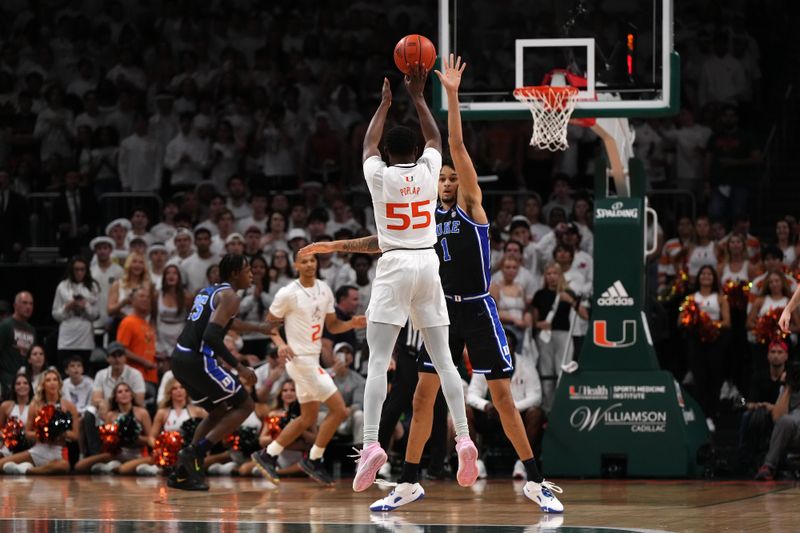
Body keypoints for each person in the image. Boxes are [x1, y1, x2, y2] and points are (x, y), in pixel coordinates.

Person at [301, 56, 562, 512]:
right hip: (436, 298)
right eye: (441, 177)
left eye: (451, 178)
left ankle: (535, 479)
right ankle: (408, 481)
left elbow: (452, 146)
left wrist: (452, 97)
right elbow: (380, 239)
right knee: (424, 396)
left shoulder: (471, 208)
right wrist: (336, 245)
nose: (446, 181)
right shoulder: (424, 203)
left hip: (476, 307)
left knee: (501, 396)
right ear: (430, 178)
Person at [251, 252, 366, 485]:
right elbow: (269, 325)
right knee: (340, 410)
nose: (309, 264)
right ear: (296, 265)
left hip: (313, 359)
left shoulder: (324, 289)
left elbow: (332, 325)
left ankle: (268, 454)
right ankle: (314, 458)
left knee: (307, 417)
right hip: (299, 359)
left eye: (312, 260)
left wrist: (351, 323)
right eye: (304, 261)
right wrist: (281, 345)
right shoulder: (287, 293)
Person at [168, 254, 280, 491]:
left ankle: (183, 472)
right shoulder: (231, 297)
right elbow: (211, 335)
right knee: (245, 405)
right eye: (247, 269)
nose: (252, 274)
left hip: (179, 358)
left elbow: (225, 322)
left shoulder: (210, 291)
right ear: (234, 274)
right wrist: (239, 367)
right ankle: (194, 452)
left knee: (218, 409)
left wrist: (259, 327)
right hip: (198, 360)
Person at [0, 369, 78, 475]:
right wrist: (43, 433)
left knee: (63, 466)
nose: (52, 383)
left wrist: (60, 432)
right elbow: (27, 433)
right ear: (43, 384)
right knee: (1, 464)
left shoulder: (68, 406)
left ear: (59, 384)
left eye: (55, 380)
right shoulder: (35, 406)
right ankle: (37, 468)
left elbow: (75, 435)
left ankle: (27, 470)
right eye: (48, 380)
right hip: (39, 449)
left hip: (58, 451)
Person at [683, 265, 731, 432]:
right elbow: (680, 320)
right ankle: (699, 414)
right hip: (696, 342)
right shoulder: (691, 298)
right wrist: (695, 324)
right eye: (702, 273)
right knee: (699, 379)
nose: (705, 276)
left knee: (714, 378)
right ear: (698, 277)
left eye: (709, 273)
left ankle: (712, 414)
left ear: (714, 278)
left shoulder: (720, 298)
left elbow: (727, 322)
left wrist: (710, 325)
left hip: (715, 342)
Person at [74, 381, 152, 474]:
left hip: (137, 454)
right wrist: (115, 439)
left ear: (131, 395)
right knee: (79, 466)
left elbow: (150, 439)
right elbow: (106, 442)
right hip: (116, 454)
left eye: (127, 391)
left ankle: (114, 468)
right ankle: (112, 466)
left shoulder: (142, 413)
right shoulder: (110, 415)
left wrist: (134, 437)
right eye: (120, 392)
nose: (124, 394)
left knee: (123, 470)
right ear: (115, 398)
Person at [52, 257, 99, 368]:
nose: (79, 272)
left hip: (85, 339)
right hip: (66, 338)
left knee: (84, 372)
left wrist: (85, 306)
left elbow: (96, 315)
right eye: (76, 269)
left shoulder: (93, 286)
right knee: (65, 371)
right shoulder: (62, 286)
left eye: (82, 269)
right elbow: (55, 314)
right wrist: (67, 307)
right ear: (71, 270)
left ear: (86, 270)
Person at [116, 289, 159, 404]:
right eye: (141, 296)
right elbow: (121, 349)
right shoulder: (128, 322)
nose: (145, 299)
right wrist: (144, 362)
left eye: (147, 297)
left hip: (151, 376)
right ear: (132, 301)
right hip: (135, 377)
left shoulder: (147, 324)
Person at [0, 291, 35, 394]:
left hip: (25, 380)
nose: (28, 307)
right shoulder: (5, 326)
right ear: (15, 305)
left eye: (31, 303)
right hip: (7, 379)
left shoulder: (32, 330)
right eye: (24, 303)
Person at [0, 373, 32, 457]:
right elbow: (0, 428)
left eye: (25, 383)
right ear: (13, 387)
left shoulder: (35, 406)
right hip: (8, 447)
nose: (22, 386)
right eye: (18, 383)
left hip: (29, 447)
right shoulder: (5, 406)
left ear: (30, 386)